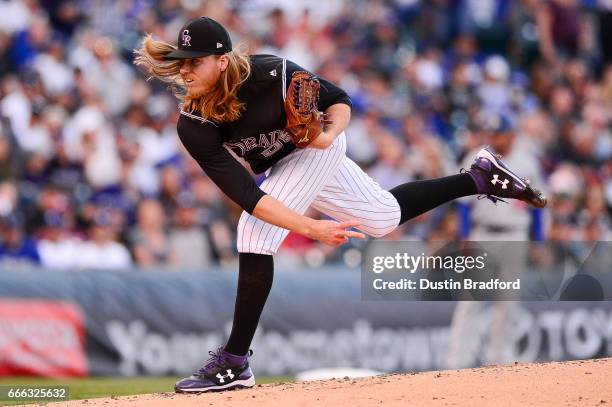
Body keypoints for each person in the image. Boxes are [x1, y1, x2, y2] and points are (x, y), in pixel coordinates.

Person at [134, 16, 547, 393]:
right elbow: (249, 196)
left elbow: (339, 98)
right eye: (181, 61)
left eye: (195, 61)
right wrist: (312, 228)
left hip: (318, 148)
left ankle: (235, 361)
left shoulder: (273, 74)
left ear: (222, 61)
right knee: (383, 218)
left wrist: (329, 136)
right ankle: (478, 177)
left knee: (252, 233)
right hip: (285, 167)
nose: (184, 69)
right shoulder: (194, 125)